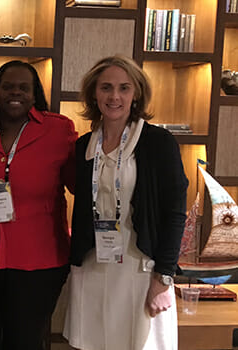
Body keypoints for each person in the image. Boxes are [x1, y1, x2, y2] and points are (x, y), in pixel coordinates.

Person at [63, 55, 188, 350]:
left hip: (140, 270)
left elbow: (175, 213)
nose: (114, 96)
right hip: (93, 266)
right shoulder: (85, 145)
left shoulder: (158, 143)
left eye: (124, 88)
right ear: (94, 93)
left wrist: (164, 277)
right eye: (106, 87)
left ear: (137, 94)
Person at [0, 60, 76, 349]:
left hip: (38, 260)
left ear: (35, 95)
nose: (15, 93)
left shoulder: (58, 131)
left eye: (24, 87)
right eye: (7, 86)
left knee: (25, 342)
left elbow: (82, 186)